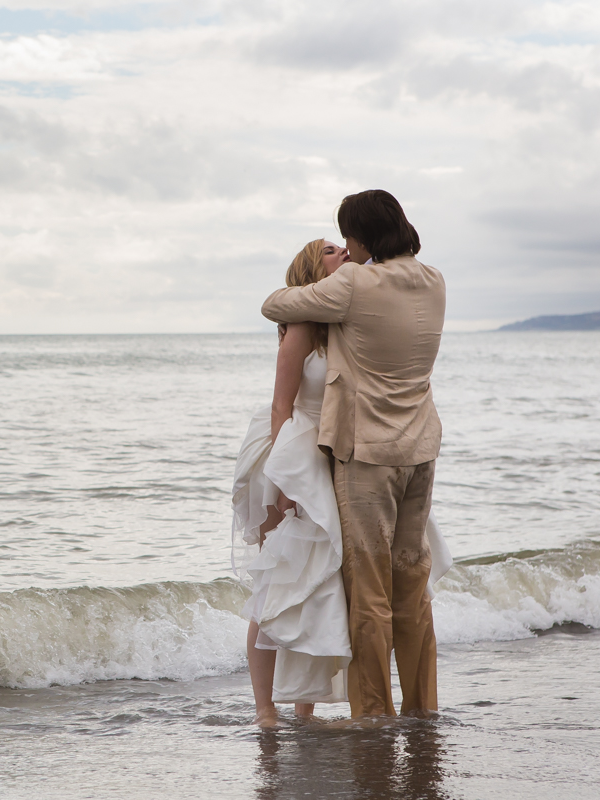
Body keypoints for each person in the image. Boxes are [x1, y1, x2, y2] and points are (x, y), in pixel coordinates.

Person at [259, 190, 448, 719]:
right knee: (412, 583)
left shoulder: (353, 282)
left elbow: (275, 305)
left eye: (347, 236)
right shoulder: (434, 280)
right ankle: (422, 708)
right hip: (421, 448)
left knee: (368, 594)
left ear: (362, 236)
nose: (345, 246)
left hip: (367, 454)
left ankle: (373, 715)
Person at [232, 239, 353, 726]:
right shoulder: (301, 325)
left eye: (345, 245)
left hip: (333, 450)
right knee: (276, 584)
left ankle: (305, 706)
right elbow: (283, 406)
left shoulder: (343, 322)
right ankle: (265, 709)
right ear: (310, 266)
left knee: (322, 584)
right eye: (330, 249)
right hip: (292, 447)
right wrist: (283, 485)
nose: (343, 251)